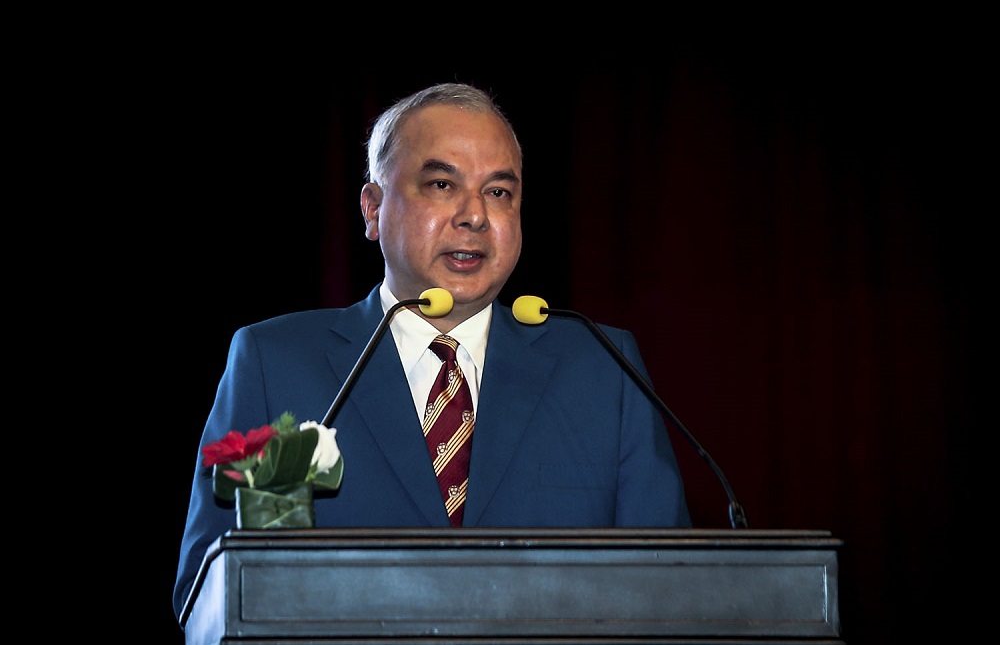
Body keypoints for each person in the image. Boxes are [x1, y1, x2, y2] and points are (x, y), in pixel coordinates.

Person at [173, 82, 691, 622]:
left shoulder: (602, 366)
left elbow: (673, 595)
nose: (474, 216)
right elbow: (207, 597)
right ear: (372, 210)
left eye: (499, 193)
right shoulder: (273, 364)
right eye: (442, 184)